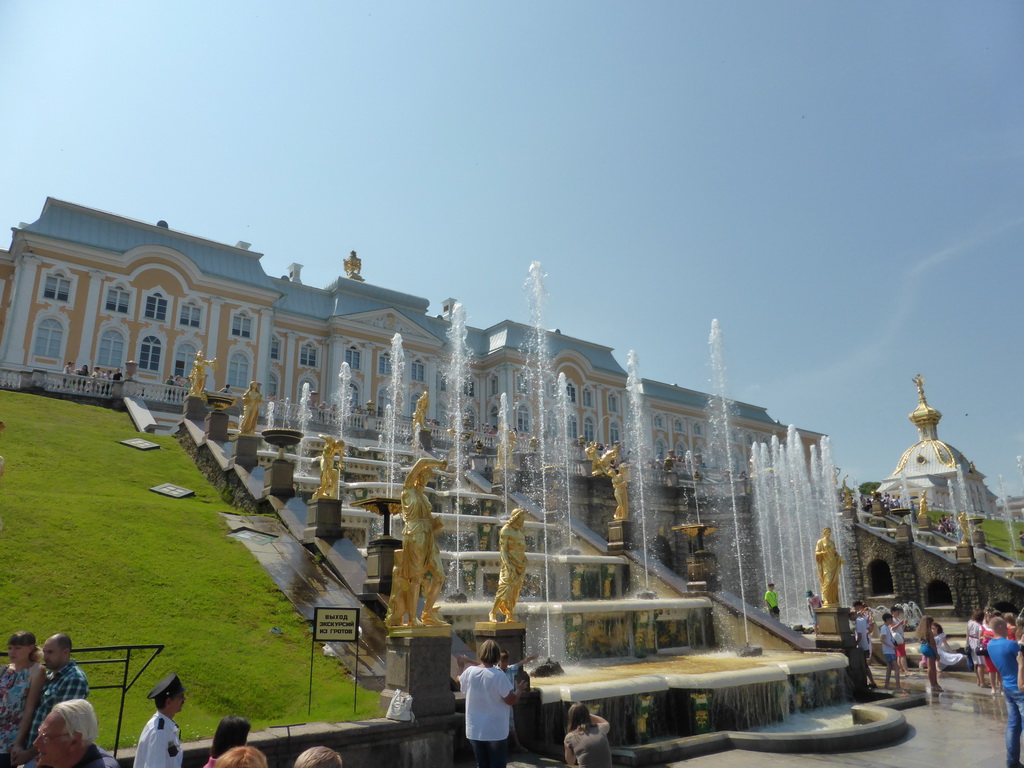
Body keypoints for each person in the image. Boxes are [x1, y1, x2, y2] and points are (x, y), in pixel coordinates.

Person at [17, 634, 89, 767]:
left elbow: (58, 727)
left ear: (65, 652)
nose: (45, 656)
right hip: (34, 749)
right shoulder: (51, 675)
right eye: (44, 652)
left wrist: (29, 753)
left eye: (50, 652)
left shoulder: (74, 680)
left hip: (47, 756)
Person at [458, 640, 527, 768]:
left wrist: (461, 667)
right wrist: (519, 691)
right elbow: (510, 700)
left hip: (475, 729)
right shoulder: (498, 676)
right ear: (496, 656)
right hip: (495, 731)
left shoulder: (470, 671)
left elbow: (460, 684)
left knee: (482, 764)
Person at [0, 632, 45, 768]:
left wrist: (19, 742)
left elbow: (29, 708)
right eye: (10, 648)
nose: (12, 652)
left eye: (18, 648)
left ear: (31, 648)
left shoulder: (36, 671)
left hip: (11, 734)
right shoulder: (4, 670)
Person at [32, 700, 117, 768]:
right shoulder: (51, 762)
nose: (36, 743)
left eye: (45, 738)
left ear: (74, 741)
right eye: (39, 732)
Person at [987, 617, 1024, 768]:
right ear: (1001, 626)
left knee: (1013, 726)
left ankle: (1012, 761)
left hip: (1007, 687)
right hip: (1020, 688)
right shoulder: (1010, 645)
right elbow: (1021, 659)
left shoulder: (990, 645)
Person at [133, 674, 185, 768]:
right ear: (169, 702)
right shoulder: (159, 732)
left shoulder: (165, 726)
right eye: (181, 696)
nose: (184, 699)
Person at [489, 509, 528, 623]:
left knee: (515, 591)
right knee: (505, 589)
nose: (523, 521)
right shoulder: (506, 530)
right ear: (516, 518)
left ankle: (509, 614)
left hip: (520, 566)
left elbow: (521, 550)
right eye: (522, 518)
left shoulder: (520, 533)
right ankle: (493, 612)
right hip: (510, 565)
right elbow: (503, 550)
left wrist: (524, 559)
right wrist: (507, 564)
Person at [497, 651, 537, 753]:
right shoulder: (495, 671)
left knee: (511, 722)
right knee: (500, 723)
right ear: (498, 661)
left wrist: (532, 657)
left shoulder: (510, 669)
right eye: (503, 661)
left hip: (509, 700)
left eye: (506, 661)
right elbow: (480, 664)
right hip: (498, 701)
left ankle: (516, 745)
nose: (505, 664)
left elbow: (522, 662)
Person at [563, 701, 611, 768]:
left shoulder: (570, 737)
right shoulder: (599, 728)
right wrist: (585, 714)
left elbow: (570, 762)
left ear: (571, 718)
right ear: (587, 715)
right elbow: (605, 722)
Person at [814, 527, 844, 606]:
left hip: (833, 563)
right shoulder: (820, 542)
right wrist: (822, 553)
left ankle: (833, 599)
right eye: (827, 532)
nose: (829, 533)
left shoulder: (832, 542)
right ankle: (825, 598)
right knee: (828, 581)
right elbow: (816, 552)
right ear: (824, 533)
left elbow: (835, 553)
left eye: (829, 532)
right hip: (826, 564)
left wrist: (840, 558)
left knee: (834, 582)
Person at [853, 602, 877, 689]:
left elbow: (859, 636)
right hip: (865, 645)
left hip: (861, 646)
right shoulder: (863, 619)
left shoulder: (859, 621)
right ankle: (872, 682)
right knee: (865, 666)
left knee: (863, 666)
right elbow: (870, 629)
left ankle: (865, 682)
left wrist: (855, 643)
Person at [879, 613, 904, 693]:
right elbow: (882, 640)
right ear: (887, 619)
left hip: (890, 650)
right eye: (890, 619)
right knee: (897, 667)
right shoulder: (884, 628)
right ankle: (898, 686)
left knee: (889, 668)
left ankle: (886, 685)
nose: (891, 620)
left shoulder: (887, 628)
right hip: (888, 651)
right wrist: (891, 647)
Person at [967, 608, 990, 688]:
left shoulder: (970, 622)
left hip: (971, 641)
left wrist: (967, 643)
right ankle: (982, 682)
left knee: (975, 663)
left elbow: (967, 632)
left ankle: (978, 680)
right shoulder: (979, 626)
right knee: (980, 664)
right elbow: (980, 635)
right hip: (977, 642)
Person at [917, 616, 940, 692]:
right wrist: (937, 654)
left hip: (923, 647)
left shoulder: (921, 631)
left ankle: (933, 684)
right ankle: (934, 684)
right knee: (932, 667)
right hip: (929, 648)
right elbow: (933, 644)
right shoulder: (929, 631)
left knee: (930, 667)